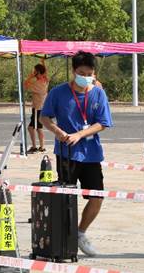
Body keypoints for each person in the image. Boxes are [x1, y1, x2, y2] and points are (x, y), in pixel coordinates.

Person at [40, 51, 113, 257]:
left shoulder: (99, 93)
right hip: (67, 153)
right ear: (73, 72)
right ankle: (64, 238)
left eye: (89, 73)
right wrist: (59, 133)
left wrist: (80, 134)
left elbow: (103, 123)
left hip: (91, 153)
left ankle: (81, 232)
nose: (86, 77)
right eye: (81, 73)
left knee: (97, 195)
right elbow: (45, 118)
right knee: (66, 199)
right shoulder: (58, 92)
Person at [24, 62, 49, 153]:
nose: (33, 72)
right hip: (40, 107)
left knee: (34, 128)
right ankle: (41, 146)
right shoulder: (46, 80)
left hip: (38, 108)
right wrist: (43, 62)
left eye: (34, 71)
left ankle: (37, 147)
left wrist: (30, 76)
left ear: (37, 72)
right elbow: (45, 72)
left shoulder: (38, 84)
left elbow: (25, 85)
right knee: (38, 127)